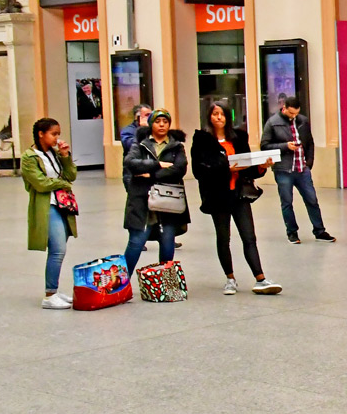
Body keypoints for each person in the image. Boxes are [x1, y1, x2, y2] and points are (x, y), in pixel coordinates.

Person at [191, 101, 281, 296]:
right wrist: (225, 169)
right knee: (224, 238)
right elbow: (199, 170)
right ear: (209, 117)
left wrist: (261, 167)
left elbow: (248, 166)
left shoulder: (238, 138)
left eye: (222, 114)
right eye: (215, 114)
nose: (219, 117)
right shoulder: (202, 140)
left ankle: (261, 278)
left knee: (249, 236)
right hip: (217, 196)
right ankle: (230, 278)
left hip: (239, 195)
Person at [123, 109, 190, 277]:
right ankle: (121, 283)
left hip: (168, 202)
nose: (161, 125)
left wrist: (151, 175)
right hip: (142, 202)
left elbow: (179, 169)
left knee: (167, 242)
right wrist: (159, 164)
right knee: (136, 242)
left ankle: (165, 283)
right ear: (151, 124)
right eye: (158, 121)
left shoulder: (176, 147)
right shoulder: (140, 144)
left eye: (165, 122)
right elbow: (130, 162)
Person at [261, 96, 336, 245]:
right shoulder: (272, 123)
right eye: (290, 114)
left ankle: (319, 231)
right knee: (287, 202)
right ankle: (292, 232)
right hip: (284, 170)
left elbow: (310, 142)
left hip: (302, 169)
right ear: (284, 108)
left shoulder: (303, 121)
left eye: (296, 113)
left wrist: (309, 162)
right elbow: (264, 146)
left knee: (312, 200)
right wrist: (284, 146)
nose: (293, 116)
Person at [22, 117, 77, 309]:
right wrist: (62, 184)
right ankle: (49, 295)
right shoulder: (29, 157)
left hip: (62, 204)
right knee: (58, 249)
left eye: (58, 134)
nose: (56, 138)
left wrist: (64, 156)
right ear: (41, 134)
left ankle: (54, 290)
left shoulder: (54, 153)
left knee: (58, 249)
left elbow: (71, 175)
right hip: (47, 206)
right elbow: (40, 183)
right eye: (53, 134)